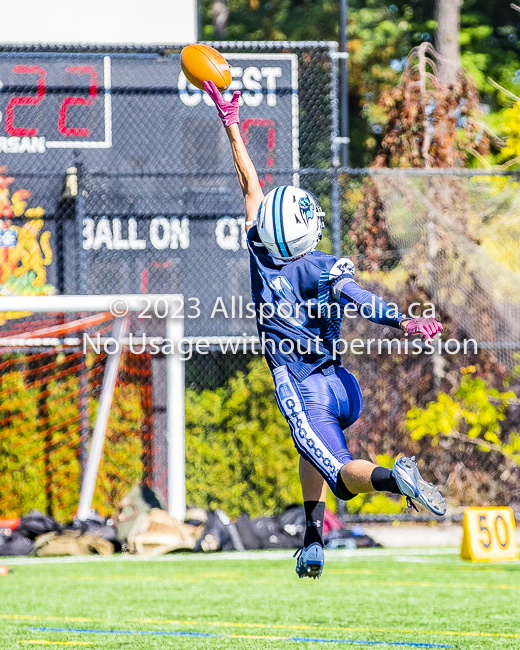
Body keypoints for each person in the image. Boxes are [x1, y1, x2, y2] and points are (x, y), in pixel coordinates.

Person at [203, 80, 446, 579]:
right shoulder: (323, 266)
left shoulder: (259, 251)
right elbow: (358, 298)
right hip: (339, 385)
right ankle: (313, 538)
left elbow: (250, 185)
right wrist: (403, 319)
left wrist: (230, 119)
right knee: (308, 448)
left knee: (339, 473)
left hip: (302, 387)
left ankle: (394, 481)